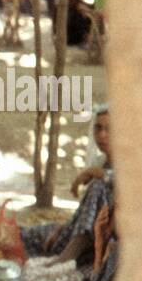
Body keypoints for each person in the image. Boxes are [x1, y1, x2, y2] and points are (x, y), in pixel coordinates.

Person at [22, 106, 113, 270]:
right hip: (79, 231)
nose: (102, 135)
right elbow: (86, 212)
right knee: (28, 235)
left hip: (101, 240)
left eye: (109, 129)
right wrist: (61, 228)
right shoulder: (100, 161)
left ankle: (65, 258)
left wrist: (96, 173)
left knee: (98, 187)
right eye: (98, 128)